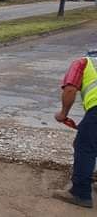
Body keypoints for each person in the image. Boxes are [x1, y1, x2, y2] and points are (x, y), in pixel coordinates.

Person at [53, 50, 97, 208]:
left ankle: (80, 193)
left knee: (85, 147)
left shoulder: (82, 62)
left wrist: (63, 114)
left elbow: (70, 89)